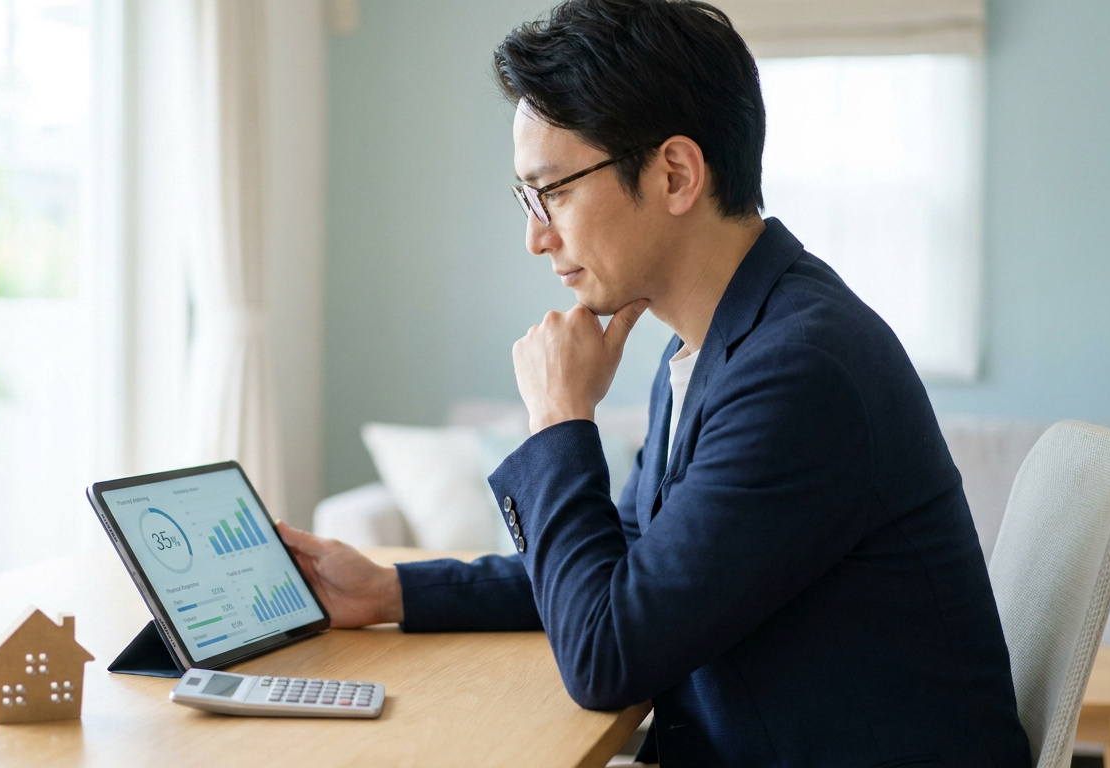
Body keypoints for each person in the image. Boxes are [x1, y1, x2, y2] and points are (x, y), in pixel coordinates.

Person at [278, 1, 1032, 765]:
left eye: (555, 191)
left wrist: (560, 420)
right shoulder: (716, 342)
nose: (535, 236)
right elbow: (631, 561)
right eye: (527, 198)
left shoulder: (800, 371)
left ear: (675, 174)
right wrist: (389, 592)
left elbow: (607, 656)